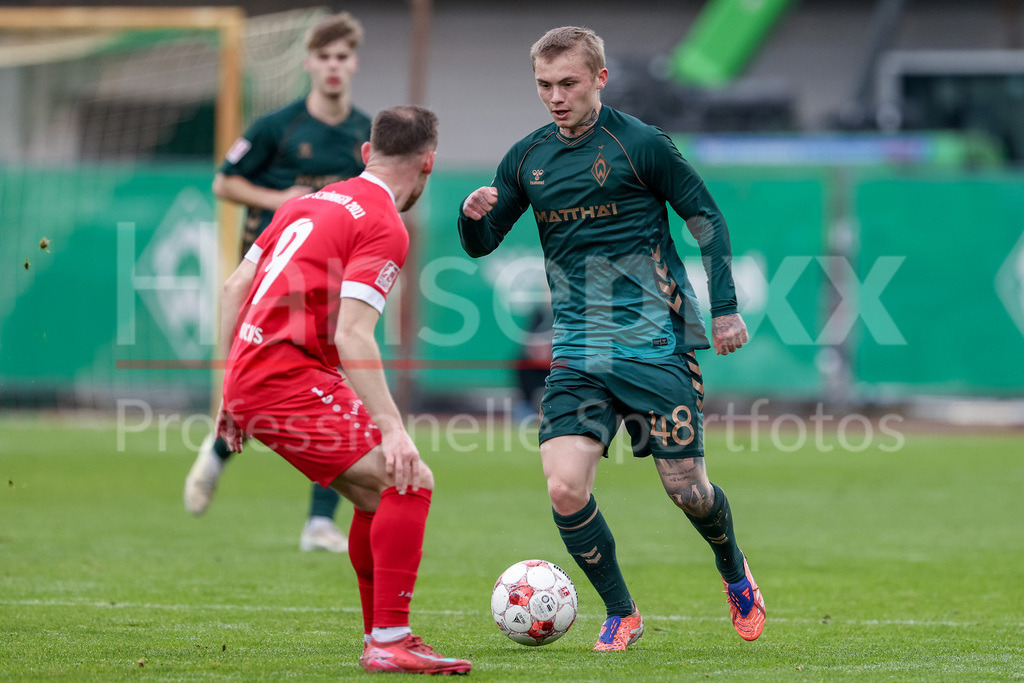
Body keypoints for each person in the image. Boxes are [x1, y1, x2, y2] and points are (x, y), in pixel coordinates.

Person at [458, 26, 765, 651]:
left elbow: (706, 218)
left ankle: (733, 569)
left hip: (655, 341)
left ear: (600, 78)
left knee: (688, 492)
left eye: (568, 83)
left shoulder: (641, 144)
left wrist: (725, 310)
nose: (556, 97)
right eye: (544, 85)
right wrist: (470, 219)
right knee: (564, 487)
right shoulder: (526, 158)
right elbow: (484, 242)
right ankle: (622, 612)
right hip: (578, 346)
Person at [215, 105, 470, 674]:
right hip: (286, 376)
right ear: (428, 163)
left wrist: (229, 393)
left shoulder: (305, 202)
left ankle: (384, 636)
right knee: (410, 479)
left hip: (255, 372)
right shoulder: (384, 224)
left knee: (376, 497)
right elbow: (351, 333)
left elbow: (234, 288)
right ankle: (389, 640)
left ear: (365, 152)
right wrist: (394, 428)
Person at [185, 12, 373, 553]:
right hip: (269, 277)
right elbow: (224, 182)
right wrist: (281, 200)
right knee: (259, 385)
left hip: (330, 282)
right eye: (325, 56)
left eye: (343, 57)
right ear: (308, 62)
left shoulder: (365, 133)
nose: (334, 66)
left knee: (338, 388)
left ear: (354, 63)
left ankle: (319, 521)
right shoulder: (277, 126)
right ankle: (217, 451)